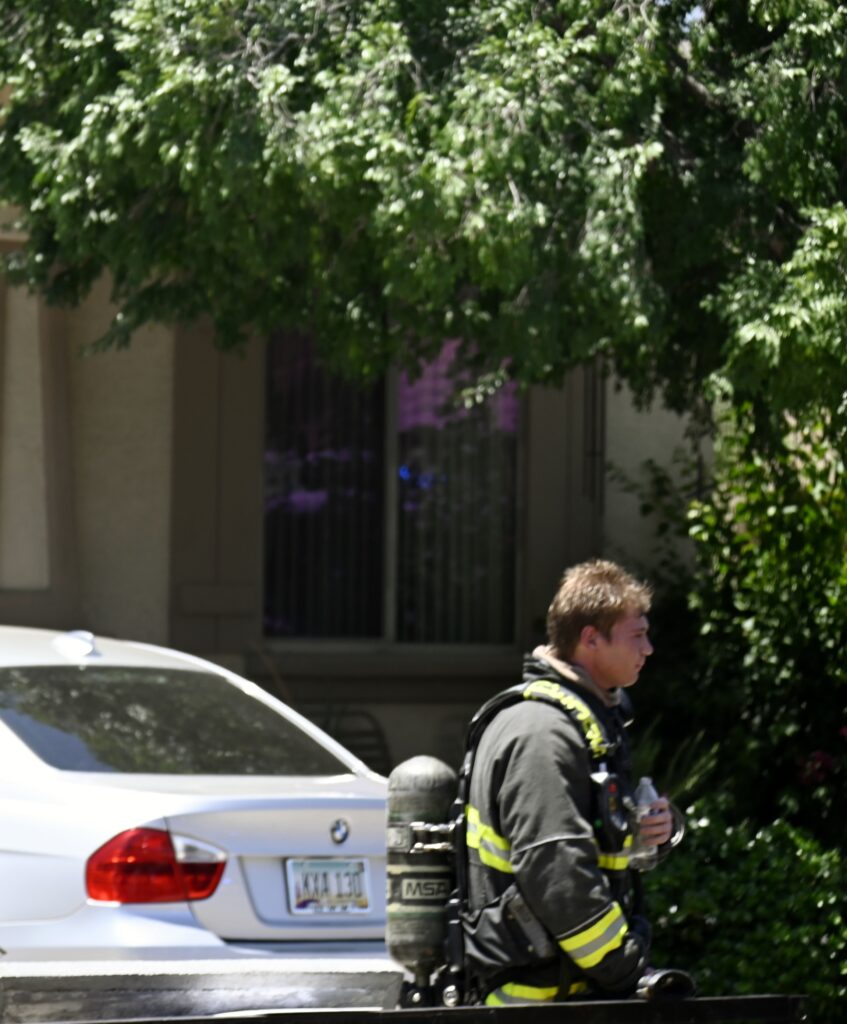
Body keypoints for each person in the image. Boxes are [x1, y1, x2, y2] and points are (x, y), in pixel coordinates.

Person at [459, 559, 680, 1005]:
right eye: (637, 635)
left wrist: (659, 828)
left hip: (569, 990)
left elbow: (594, 840)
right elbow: (556, 871)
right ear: (591, 639)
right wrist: (625, 968)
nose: (649, 648)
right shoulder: (542, 732)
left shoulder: (585, 720)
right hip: (538, 999)